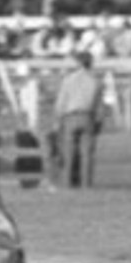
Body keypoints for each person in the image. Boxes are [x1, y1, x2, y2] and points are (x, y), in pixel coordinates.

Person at [53, 51, 104, 188]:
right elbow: (99, 105)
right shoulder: (95, 81)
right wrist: (99, 122)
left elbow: (61, 102)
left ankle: (68, 182)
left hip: (70, 116)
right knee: (87, 153)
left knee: (69, 151)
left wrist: (58, 120)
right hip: (87, 116)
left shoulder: (69, 80)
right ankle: (86, 183)